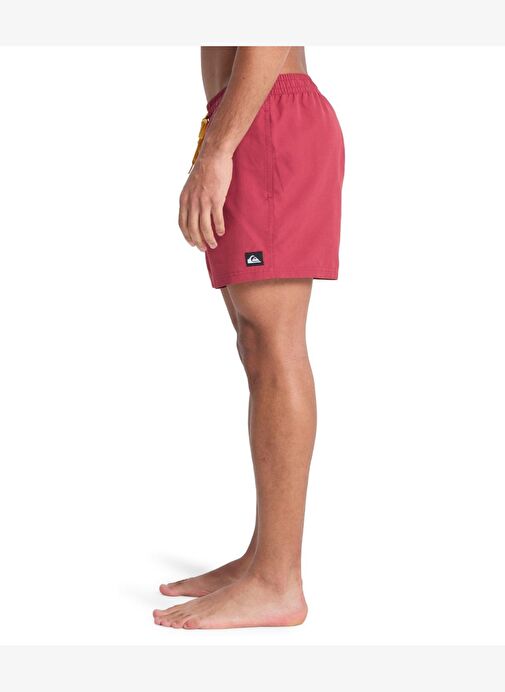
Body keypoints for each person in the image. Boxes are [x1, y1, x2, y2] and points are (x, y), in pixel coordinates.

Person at [153, 46, 345, 629]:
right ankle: (262, 560)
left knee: (274, 342)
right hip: (248, 118)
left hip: (265, 121)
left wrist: (217, 151)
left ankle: (278, 582)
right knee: (256, 344)